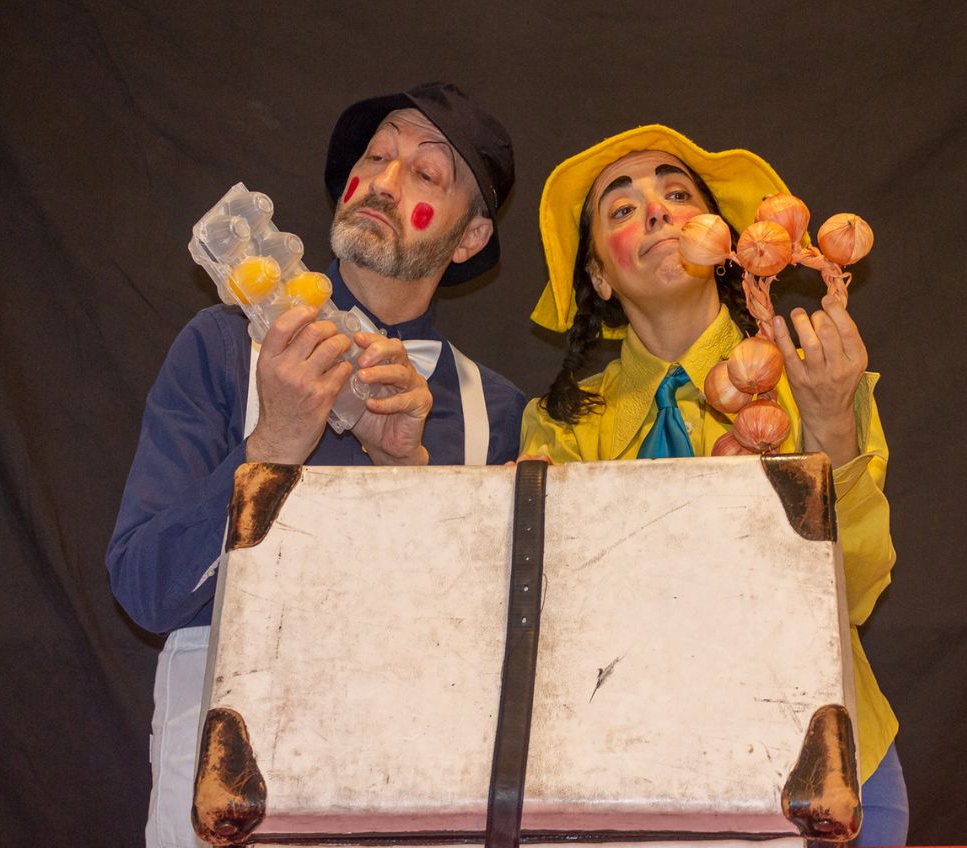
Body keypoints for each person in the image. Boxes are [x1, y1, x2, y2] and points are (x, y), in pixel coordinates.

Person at [107, 82, 526, 848]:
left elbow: (490, 653)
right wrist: (272, 446)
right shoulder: (222, 347)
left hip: (410, 790)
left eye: (426, 173)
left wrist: (407, 476)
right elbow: (145, 589)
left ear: (469, 238)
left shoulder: (493, 412)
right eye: (376, 156)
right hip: (228, 791)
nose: (384, 181)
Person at [522, 125, 907, 846]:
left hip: (825, 773)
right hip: (636, 774)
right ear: (599, 275)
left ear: (727, 242)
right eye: (623, 209)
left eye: (676, 195)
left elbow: (855, 589)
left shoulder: (813, 375)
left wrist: (827, 422)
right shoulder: (562, 426)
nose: (657, 211)